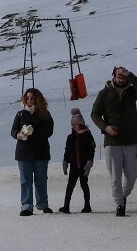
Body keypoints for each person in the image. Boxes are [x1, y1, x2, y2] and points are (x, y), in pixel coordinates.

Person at [90, 66, 137, 217]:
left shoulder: (132, 91)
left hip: (132, 138)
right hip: (112, 141)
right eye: (118, 76)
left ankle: (123, 196)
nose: (121, 79)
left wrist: (130, 74)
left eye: (123, 76)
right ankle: (119, 205)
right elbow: (95, 114)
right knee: (115, 176)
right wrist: (105, 127)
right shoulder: (104, 93)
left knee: (131, 176)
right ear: (113, 77)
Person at [10, 87, 54, 216]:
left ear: (37, 99)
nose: (29, 100)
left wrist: (34, 132)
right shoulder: (21, 114)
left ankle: (43, 204)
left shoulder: (45, 114)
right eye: (27, 97)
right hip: (23, 153)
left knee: (41, 179)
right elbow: (13, 130)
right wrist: (18, 134)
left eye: (32, 98)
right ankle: (26, 206)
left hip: (41, 152)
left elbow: (49, 131)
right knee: (25, 181)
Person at [60, 108, 95, 214]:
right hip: (74, 166)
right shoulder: (70, 137)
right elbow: (67, 151)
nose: (75, 126)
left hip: (84, 166)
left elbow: (91, 149)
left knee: (84, 184)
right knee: (70, 185)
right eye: (73, 125)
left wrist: (90, 161)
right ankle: (66, 206)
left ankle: (87, 206)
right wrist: (65, 163)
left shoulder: (88, 135)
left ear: (82, 124)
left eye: (77, 124)